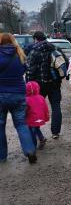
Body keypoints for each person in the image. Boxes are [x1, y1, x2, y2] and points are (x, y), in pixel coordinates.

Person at [0, 33, 37, 163]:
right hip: (18, 94)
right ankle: (30, 151)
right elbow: (23, 71)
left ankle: (2, 156)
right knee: (21, 124)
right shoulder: (19, 55)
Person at [26, 31, 63, 139]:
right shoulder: (54, 49)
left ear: (36, 39)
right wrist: (58, 80)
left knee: (35, 108)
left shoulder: (34, 51)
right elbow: (62, 65)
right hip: (54, 83)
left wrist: (29, 84)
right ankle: (55, 132)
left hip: (38, 85)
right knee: (56, 107)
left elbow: (30, 70)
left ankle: (38, 133)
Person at [25, 81, 49, 150]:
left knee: (32, 130)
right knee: (36, 128)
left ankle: (33, 145)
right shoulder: (41, 97)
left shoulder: (26, 99)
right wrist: (46, 116)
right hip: (40, 117)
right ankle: (41, 138)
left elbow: (25, 110)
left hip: (31, 119)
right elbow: (45, 108)